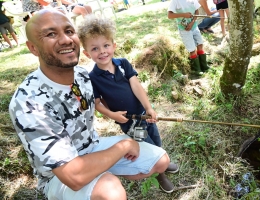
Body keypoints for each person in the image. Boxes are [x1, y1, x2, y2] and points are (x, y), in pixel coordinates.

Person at [9, 8, 170, 200]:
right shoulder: (29, 101)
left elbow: (99, 102)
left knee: (161, 160)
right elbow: (73, 175)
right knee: (110, 191)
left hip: (93, 147)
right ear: (33, 48)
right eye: (51, 34)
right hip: (58, 175)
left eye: (69, 31)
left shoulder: (83, 77)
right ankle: (98, 183)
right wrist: (123, 146)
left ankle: (102, 174)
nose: (66, 40)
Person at [77, 14, 179, 193]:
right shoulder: (93, 78)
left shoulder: (123, 64)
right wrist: (112, 115)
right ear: (86, 53)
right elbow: (97, 103)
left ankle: (163, 161)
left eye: (106, 45)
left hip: (143, 114)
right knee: (145, 144)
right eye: (95, 48)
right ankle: (158, 173)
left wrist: (148, 107)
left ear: (113, 46)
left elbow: (136, 85)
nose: (102, 51)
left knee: (155, 138)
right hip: (129, 122)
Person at [168, 0, 209, 75]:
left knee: (200, 44)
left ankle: (204, 66)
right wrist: (183, 14)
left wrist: (192, 22)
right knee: (192, 49)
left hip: (194, 26)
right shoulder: (175, 1)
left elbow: (197, 12)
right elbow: (170, 15)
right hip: (184, 29)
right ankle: (197, 69)